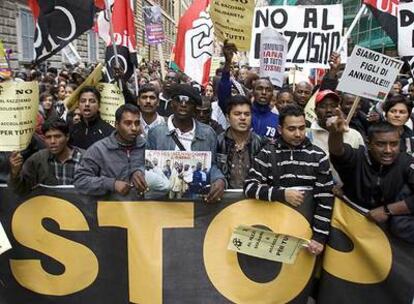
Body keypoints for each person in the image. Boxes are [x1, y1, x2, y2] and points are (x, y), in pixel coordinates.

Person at [244, 105, 334, 255]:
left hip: (307, 236)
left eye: (302, 128)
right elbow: (249, 187)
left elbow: (325, 200)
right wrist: (282, 194)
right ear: (280, 129)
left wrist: (319, 237)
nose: (298, 134)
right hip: (273, 234)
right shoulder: (267, 153)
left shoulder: (319, 156)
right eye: (291, 129)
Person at [328, 114, 414, 237]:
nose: (388, 150)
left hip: (385, 234)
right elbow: (338, 151)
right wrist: (335, 133)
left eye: (394, 144)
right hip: (348, 222)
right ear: (368, 144)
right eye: (381, 144)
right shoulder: (357, 157)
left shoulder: (406, 162)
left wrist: (388, 210)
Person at [147, 83, 226, 203]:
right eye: (178, 100)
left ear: (195, 107)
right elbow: (148, 166)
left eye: (188, 101)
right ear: (172, 104)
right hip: (162, 202)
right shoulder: (156, 133)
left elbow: (211, 165)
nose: (183, 104)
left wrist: (219, 180)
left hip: (196, 204)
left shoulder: (208, 134)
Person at [74, 104, 147, 197]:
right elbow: (80, 181)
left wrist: (141, 171)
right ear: (117, 125)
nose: (134, 128)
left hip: (143, 208)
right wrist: (112, 184)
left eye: (137, 123)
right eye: (128, 123)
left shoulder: (146, 146)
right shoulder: (99, 149)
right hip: (110, 208)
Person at [218, 41, 279, 139]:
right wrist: (228, 63)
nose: (263, 93)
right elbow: (223, 96)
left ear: (272, 94)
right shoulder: (241, 114)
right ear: (253, 91)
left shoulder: (278, 120)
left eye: (268, 90)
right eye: (259, 89)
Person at [8, 119, 83, 193]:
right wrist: (15, 172)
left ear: (67, 137)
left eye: (57, 136)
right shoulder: (37, 159)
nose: (52, 141)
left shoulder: (84, 158)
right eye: (48, 137)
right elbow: (19, 190)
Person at [307, 90, 365, 185]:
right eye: (323, 106)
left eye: (333, 106)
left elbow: (362, 166)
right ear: (315, 111)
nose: (329, 110)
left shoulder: (355, 135)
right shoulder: (306, 135)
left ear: (339, 109)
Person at [217, 95, 266, 189]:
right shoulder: (218, 142)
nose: (243, 118)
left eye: (247, 114)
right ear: (228, 117)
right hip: (224, 200)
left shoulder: (262, 143)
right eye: (237, 114)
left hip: (254, 199)